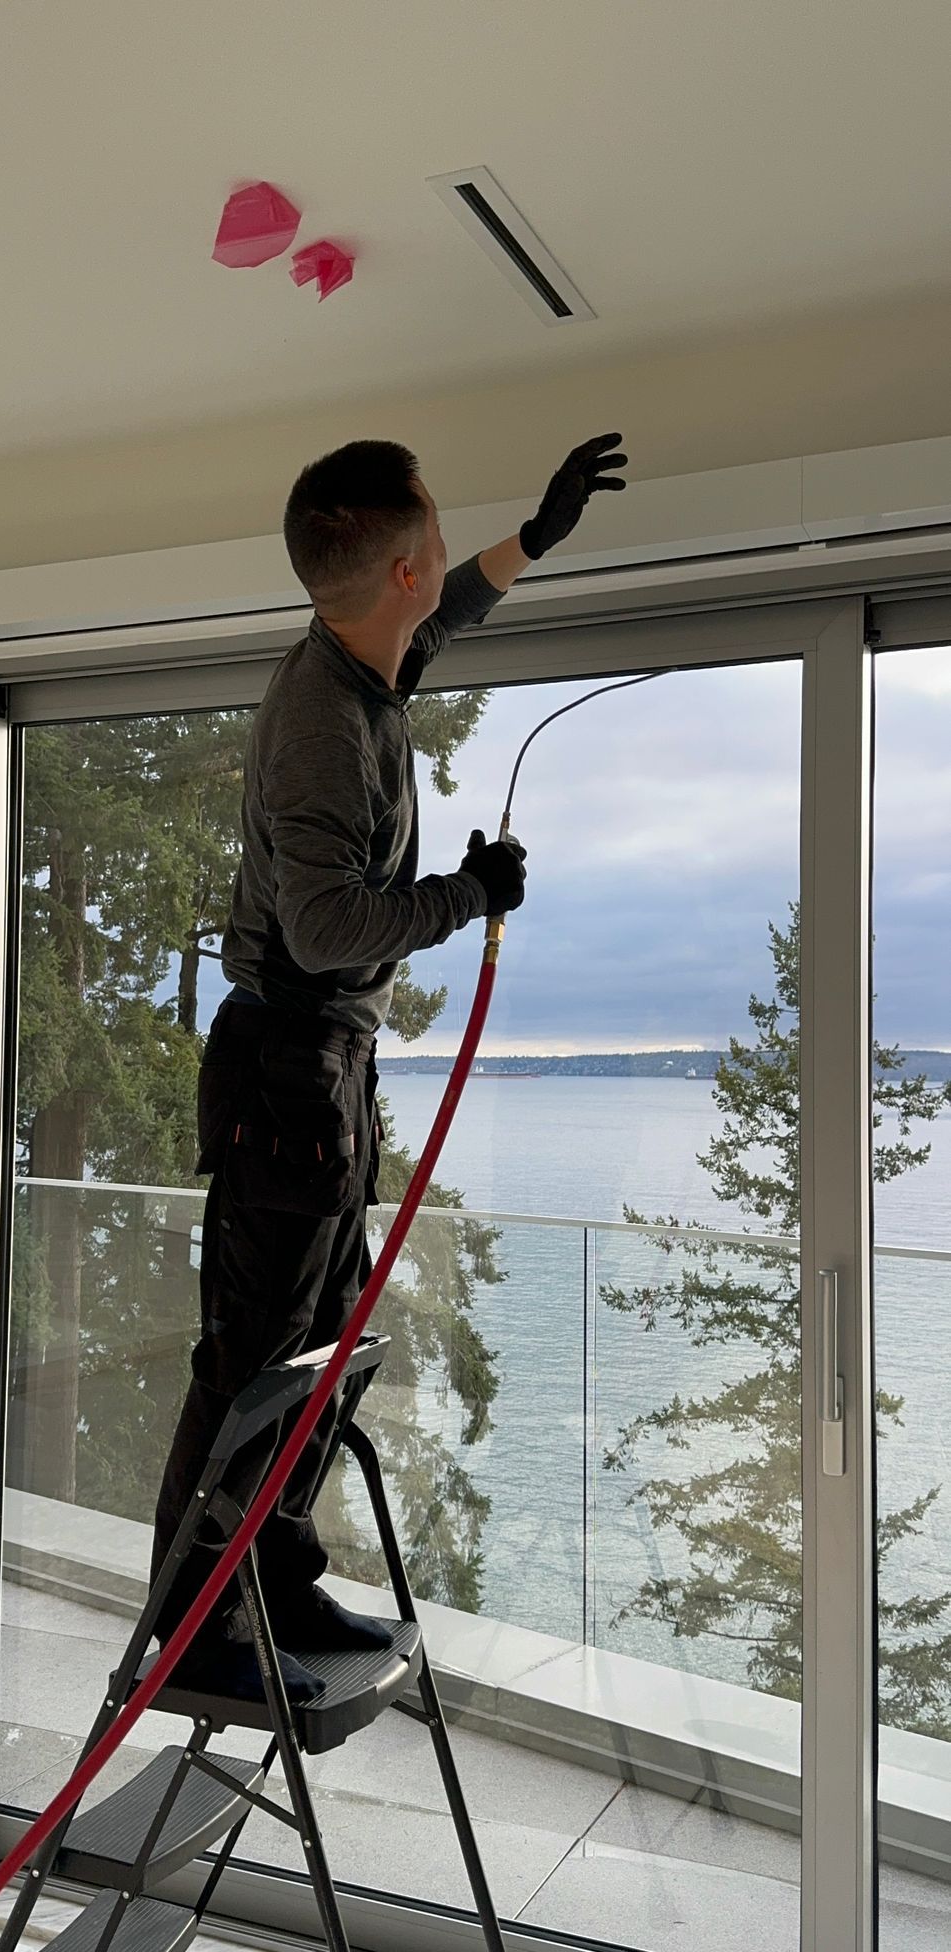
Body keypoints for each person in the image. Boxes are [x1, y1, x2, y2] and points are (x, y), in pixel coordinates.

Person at [151, 433, 628, 1701]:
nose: (444, 555)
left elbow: (439, 618)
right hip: (285, 1072)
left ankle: (275, 1581)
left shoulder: (360, 656)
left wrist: (534, 539)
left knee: (317, 1353)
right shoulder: (324, 726)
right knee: (253, 1368)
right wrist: (467, 894)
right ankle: (197, 1634)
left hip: (322, 1071)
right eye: (438, 537)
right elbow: (324, 929)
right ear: (402, 570)